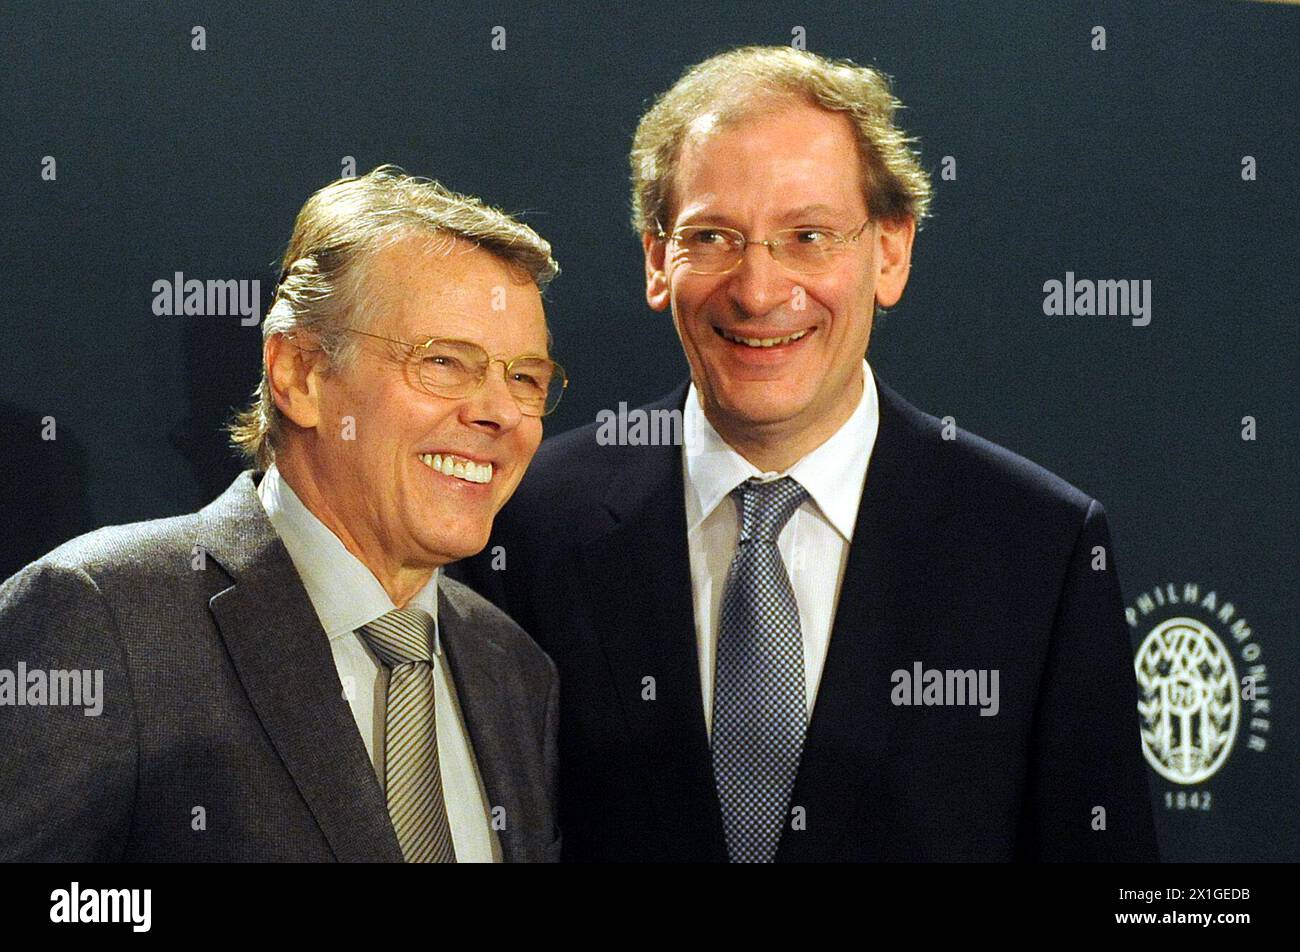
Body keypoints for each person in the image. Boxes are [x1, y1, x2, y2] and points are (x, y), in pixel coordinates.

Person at [450, 47, 1159, 862]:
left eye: (808, 236)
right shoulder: (525, 521)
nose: (757, 290)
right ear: (656, 260)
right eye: (713, 237)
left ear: (890, 253)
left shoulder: (1038, 548)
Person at [0, 166, 565, 862]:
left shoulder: (513, 669)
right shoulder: (105, 617)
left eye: (525, 378)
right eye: (445, 361)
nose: (500, 412)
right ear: (300, 375)